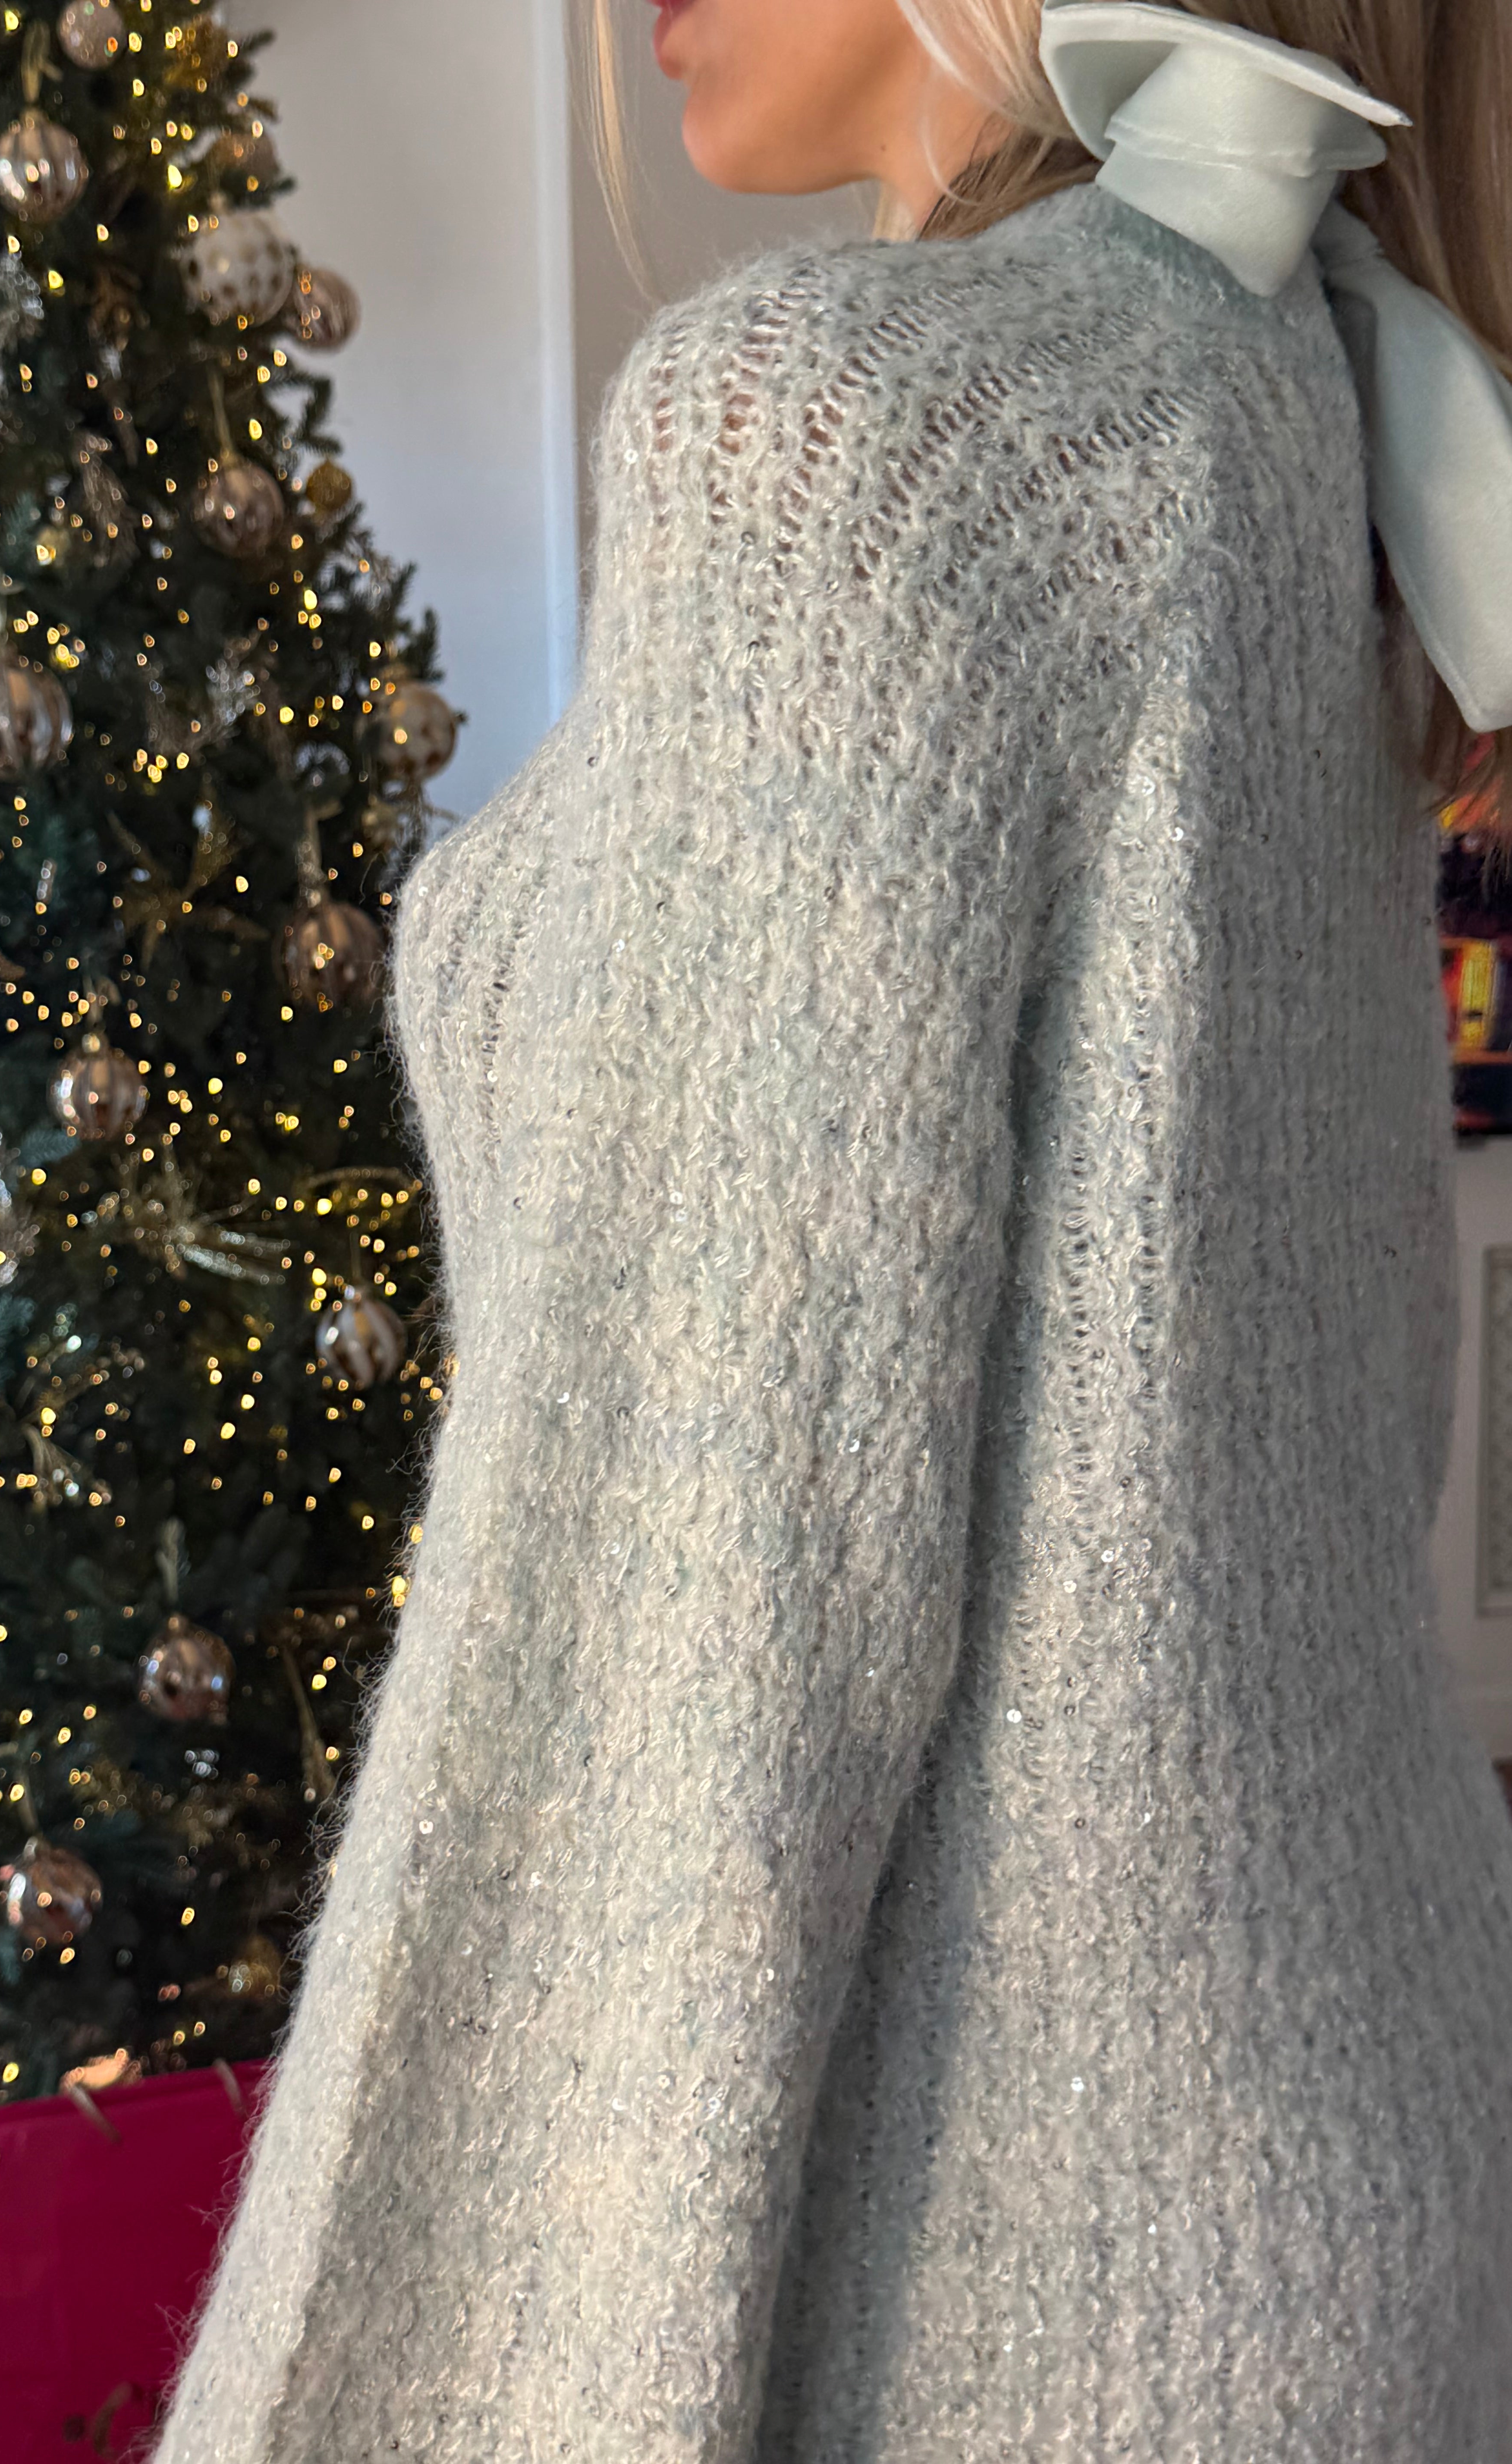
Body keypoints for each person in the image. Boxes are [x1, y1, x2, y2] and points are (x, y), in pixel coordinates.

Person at [157, 3, 1512, 2456]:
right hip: (1360, 2140)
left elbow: (677, 1677)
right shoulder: (1309, 404)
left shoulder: (859, 433)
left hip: (997, 2307)